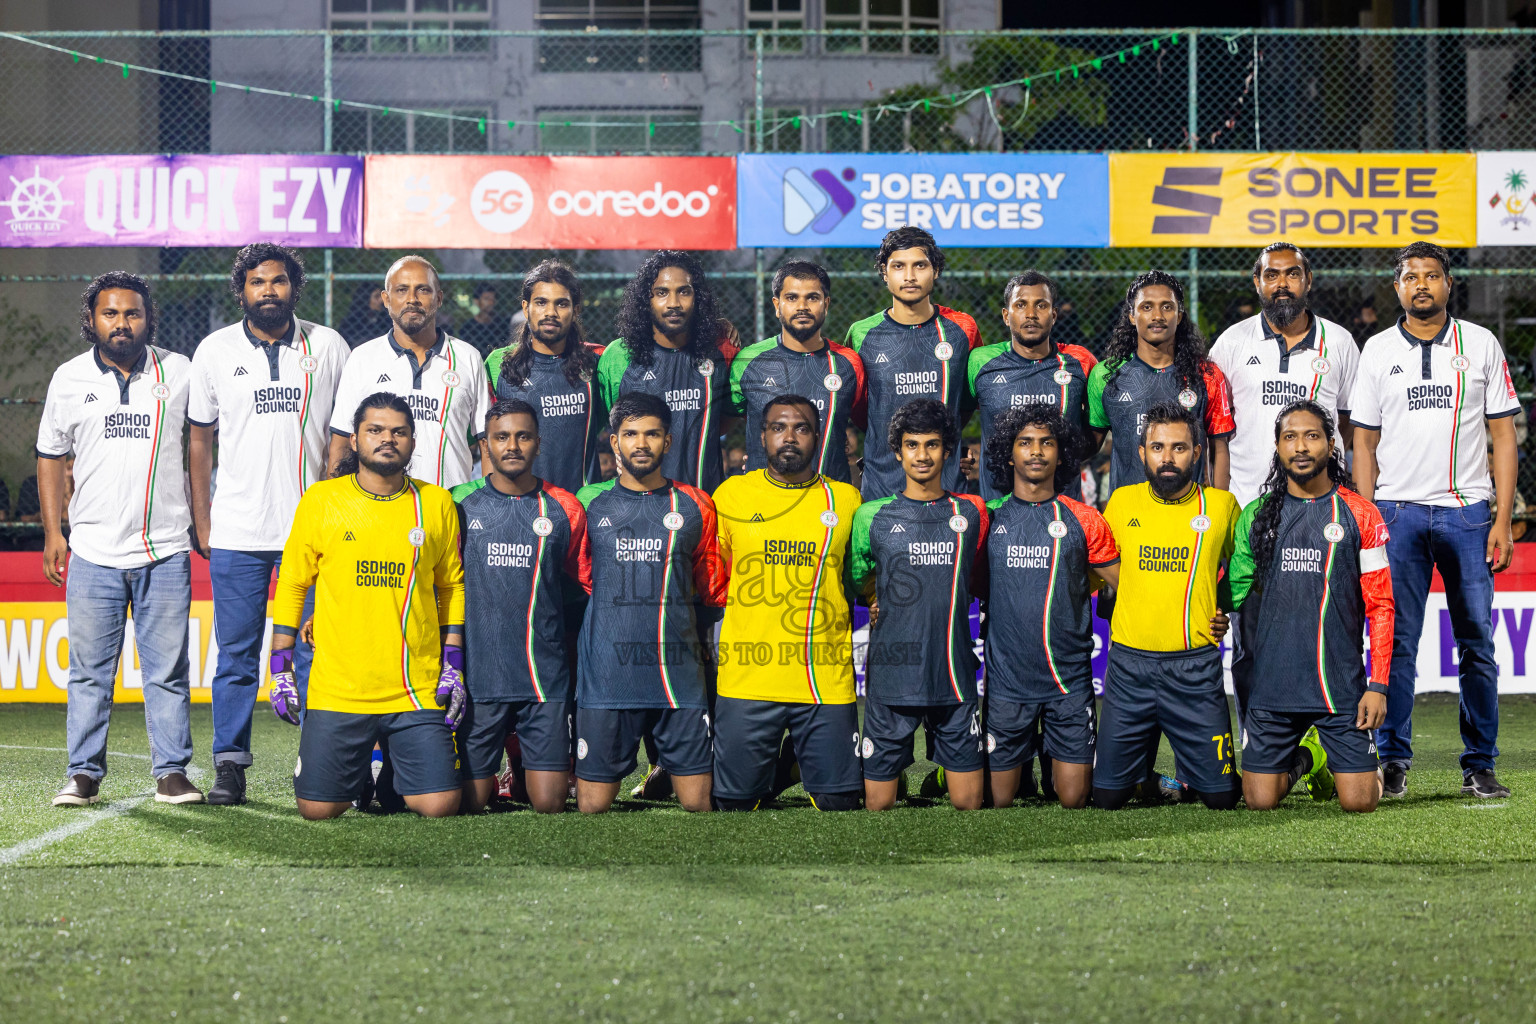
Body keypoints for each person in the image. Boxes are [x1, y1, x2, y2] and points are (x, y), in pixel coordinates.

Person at [1351, 241, 1520, 800]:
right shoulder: (1376, 350)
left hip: (1468, 514)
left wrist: (1501, 516)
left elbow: (1502, 436)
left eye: (1431, 275)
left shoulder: (1482, 344)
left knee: (1476, 642)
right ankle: (1394, 759)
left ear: (1449, 283)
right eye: (1410, 276)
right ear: (1397, 287)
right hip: (1396, 515)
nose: (1421, 284)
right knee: (1395, 642)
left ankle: (1479, 762)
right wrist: (1368, 519)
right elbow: (1365, 443)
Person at [187, 244, 347, 806]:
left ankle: (318, 761)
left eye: (279, 281)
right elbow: (200, 439)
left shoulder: (327, 345)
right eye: (258, 282)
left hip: (312, 531)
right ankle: (230, 766)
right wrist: (202, 519)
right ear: (242, 290)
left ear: (293, 289)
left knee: (314, 649)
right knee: (235, 654)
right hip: (237, 530)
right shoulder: (213, 350)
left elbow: (342, 430)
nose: (269, 291)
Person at [40, 272, 203, 807]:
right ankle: (83, 773)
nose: (121, 323)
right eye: (110, 314)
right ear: (91, 320)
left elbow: (203, 443)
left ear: (147, 318)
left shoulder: (178, 372)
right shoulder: (67, 378)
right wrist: (53, 532)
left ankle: (172, 772)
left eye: (132, 313)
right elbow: (49, 456)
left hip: (164, 549)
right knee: (89, 673)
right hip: (92, 552)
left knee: (168, 671)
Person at [268, 393, 466, 819]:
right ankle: (360, 772)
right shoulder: (322, 500)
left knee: (440, 806)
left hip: (413, 690)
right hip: (339, 689)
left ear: (413, 441)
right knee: (318, 810)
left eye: (398, 431)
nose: (387, 438)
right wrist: (280, 666)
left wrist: (453, 662)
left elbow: (451, 586)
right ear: (355, 440)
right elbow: (292, 584)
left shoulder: (436, 503)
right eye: (375, 430)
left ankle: (391, 773)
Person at [1208, 242, 1359, 736]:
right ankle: (1258, 739)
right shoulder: (1230, 344)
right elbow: (1216, 436)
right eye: (1272, 276)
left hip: (1324, 514)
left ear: (1307, 281)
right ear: (1257, 284)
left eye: (1292, 274)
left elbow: (1353, 428)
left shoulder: (1339, 343)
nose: (1282, 284)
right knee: (1251, 638)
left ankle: (1329, 739)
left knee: (1328, 629)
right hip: (1253, 515)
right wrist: (1219, 508)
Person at [1230, 401, 1393, 813]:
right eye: (1290, 437)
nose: (1300, 446)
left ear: (1332, 445)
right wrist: (1208, 616)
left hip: (1339, 688)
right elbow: (1232, 591)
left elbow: (1381, 607)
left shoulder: (1361, 514)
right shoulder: (1257, 516)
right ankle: (1308, 759)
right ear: (1277, 447)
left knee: (1359, 803)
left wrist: (1377, 686)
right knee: (1259, 802)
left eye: (1311, 436)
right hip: (1273, 689)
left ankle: (1325, 750)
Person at [710, 395, 865, 811]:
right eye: (778, 428)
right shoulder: (731, 495)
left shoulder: (847, 500)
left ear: (817, 437)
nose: (789, 437)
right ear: (762, 436)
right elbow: (714, 579)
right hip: (748, 677)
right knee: (734, 806)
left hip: (823, 680)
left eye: (801, 428)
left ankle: (797, 764)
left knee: (840, 803)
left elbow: (861, 576)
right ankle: (778, 769)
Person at [573, 394, 726, 813]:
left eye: (652, 434)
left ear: (669, 441)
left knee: (699, 805)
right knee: (592, 808)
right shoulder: (588, 503)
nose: (641, 443)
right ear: (614, 441)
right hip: (608, 674)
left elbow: (711, 587)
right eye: (631, 434)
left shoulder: (696, 504)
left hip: (677, 676)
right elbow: (583, 576)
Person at [1095, 404, 1242, 810]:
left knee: (1223, 799)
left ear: (1197, 453)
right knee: (1107, 797)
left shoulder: (1221, 507)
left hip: (1194, 670)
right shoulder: (1122, 504)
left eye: (1179, 448)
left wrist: (1221, 608)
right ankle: (1152, 780)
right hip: (1129, 669)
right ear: (1141, 452)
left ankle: (1204, 778)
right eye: (1157, 447)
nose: (1167, 458)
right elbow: (1095, 575)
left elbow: (1244, 571)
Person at [452, 400, 592, 814]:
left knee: (548, 803)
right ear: (486, 445)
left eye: (523, 436)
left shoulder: (565, 507)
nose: (512, 446)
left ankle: (520, 771)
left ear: (537, 443)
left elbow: (583, 583)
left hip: (542, 678)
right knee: (471, 804)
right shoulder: (458, 503)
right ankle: (493, 773)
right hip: (480, 679)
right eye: (501, 437)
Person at [979, 403, 1120, 809]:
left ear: (1061, 453)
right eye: (1025, 443)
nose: (1036, 451)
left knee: (1073, 798)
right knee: (998, 800)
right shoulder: (989, 518)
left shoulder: (1085, 519)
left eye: (1047, 443)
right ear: (1010, 453)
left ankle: (1052, 755)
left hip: (1068, 682)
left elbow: (1126, 588)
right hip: (1008, 682)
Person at [851, 398, 988, 811]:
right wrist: (877, 599)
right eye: (912, 445)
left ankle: (943, 772)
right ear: (897, 452)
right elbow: (860, 576)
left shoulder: (971, 512)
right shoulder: (871, 516)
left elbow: (978, 576)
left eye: (932, 444)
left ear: (948, 450)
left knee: (970, 804)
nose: (922, 455)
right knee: (878, 805)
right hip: (893, 676)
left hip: (953, 674)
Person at [327, 256, 490, 488]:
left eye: (423, 290)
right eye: (401, 290)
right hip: (380, 510)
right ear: (386, 299)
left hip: (451, 507)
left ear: (439, 298)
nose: (412, 299)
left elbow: (487, 441)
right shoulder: (362, 358)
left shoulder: (468, 358)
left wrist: (489, 509)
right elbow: (342, 442)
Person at [844, 227, 980, 501]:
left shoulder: (963, 329)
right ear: (885, 273)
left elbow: (965, 401)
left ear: (936, 270)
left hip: (948, 485)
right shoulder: (861, 334)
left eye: (920, 265)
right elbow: (860, 410)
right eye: (898, 266)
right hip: (882, 487)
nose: (909, 276)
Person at [597, 251, 738, 494]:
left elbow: (722, 420)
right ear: (646, 300)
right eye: (662, 292)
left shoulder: (721, 349)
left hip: (705, 500)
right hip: (640, 505)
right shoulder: (619, 356)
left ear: (698, 298)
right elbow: (609, 421)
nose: (674, 303)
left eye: (684, 291)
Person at [1087, 271, 1234, 496]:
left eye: (1167, 307)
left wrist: (1221, 508)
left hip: (1189, 515)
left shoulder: (1206, 375)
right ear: (1131, 316)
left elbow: (1219, 448)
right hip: (1126, 517)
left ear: (1180, 315)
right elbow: (1090, 443)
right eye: (1146, 307)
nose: (1157, 315)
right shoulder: (1105, 375)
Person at [967, 270, 1098, 502]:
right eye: (1021, 305)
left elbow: (1099, 427)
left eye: (1041, 305)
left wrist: (1067, 456)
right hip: (998, 509)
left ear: (1054, 314)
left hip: (1064, 507)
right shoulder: (980, 362)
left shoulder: (1081, 362)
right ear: (1006, 316)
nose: (1031, 314)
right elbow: (954, 415)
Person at [731, 260, 865, 483]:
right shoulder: (747, 361)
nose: (802, 306)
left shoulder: (849, 363)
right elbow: (729, 419)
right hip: (765, 502)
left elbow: (867, 421)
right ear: (776, 305)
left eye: (812, 297)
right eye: (792, 298)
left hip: (830, 501)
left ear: (826, 303)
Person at [485, 261, 606, 495]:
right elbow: (487, 440)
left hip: (583, 507)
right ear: (525, 307)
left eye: (561, 304)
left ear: (576, 310)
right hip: (523, 505)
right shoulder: (498, 364)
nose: (550, 312)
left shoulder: (598, 361)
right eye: (541, 302)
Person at [338, 283, 392, 349]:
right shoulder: (350, 323)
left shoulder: (386, 320)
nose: (381, 300)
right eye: (376, 296)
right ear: (366, 299)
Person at [458, 282, 503, 357]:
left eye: (493, 299)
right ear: (476, 301)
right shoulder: (467, 327)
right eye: (486, 299)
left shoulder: (501, 325)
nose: (490, 302)